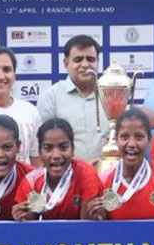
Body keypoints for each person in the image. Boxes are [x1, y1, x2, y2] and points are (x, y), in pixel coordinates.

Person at [35, 34, 111, 166]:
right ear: (66, 63)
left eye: (90, 59)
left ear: (98, 62)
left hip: (107, 174)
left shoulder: (111, 95)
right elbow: (44, 144)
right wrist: (81, 167)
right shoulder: (51, 97)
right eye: (78, 59)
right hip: (66, 174)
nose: (85, 64)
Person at [98, 108, 154, 220]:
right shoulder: (103, 181)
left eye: (139, 137)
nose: (131, 144)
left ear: (149, 139)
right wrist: (96, 216)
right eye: (124, 137)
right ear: (116, 139)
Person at [19, 118, 105, 221]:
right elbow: (29, 227)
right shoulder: (31, 182)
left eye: (63, 147)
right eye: (48, 148)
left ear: (73, 149)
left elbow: (85, 226)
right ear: (40, 153)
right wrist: (21, 217)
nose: (56, 155)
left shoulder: (86, 175)